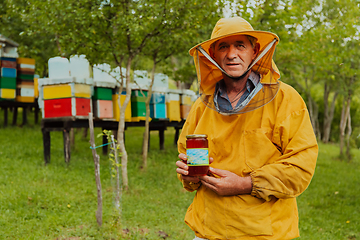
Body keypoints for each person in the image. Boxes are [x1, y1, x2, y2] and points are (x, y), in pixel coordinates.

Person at [176, 16, 318, 240]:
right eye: (223, 47)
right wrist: (188, 175)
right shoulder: (201, 106)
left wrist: (245, 184)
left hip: (263, 232)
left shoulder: (286, 100)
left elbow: (300, 168)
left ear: (255, 50)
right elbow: (188, 163)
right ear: (213, 56)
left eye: (240, 45)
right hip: (208, 230)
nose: (232, 54)